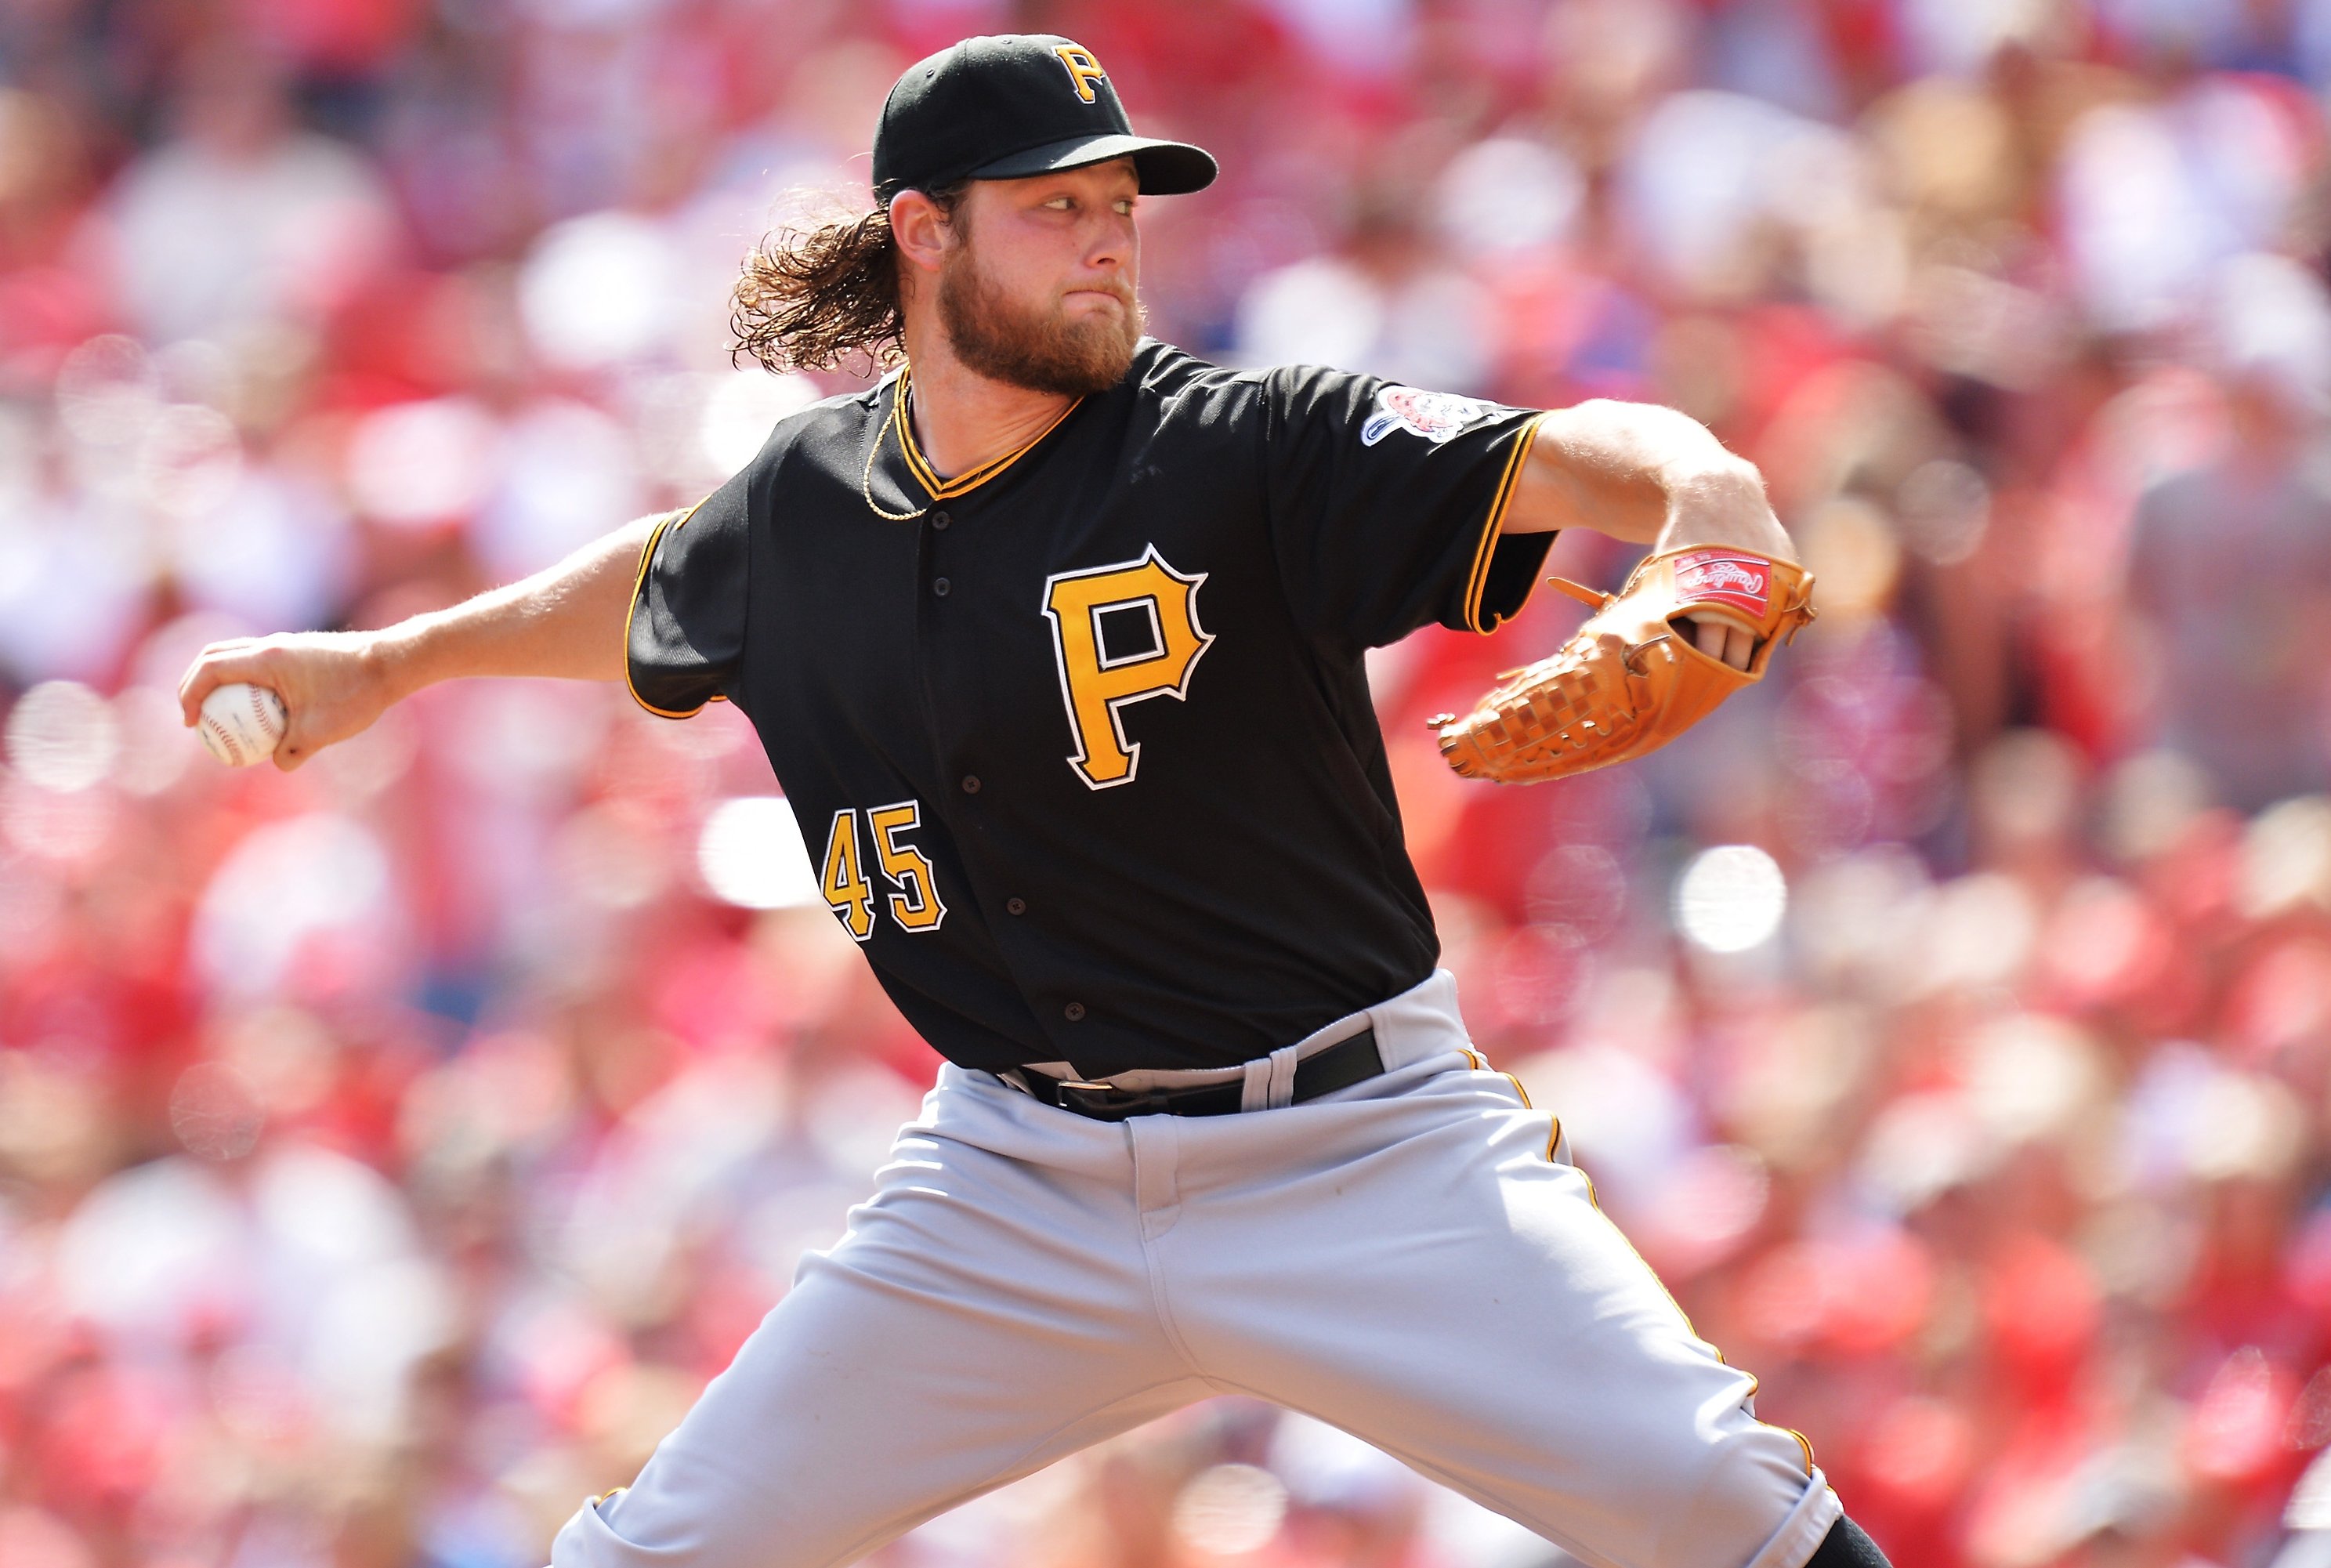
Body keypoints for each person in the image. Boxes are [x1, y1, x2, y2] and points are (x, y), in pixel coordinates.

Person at [180, 34, 1890, 1568]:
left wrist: (1713, 495)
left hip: (1358, 1145)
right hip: (1015, 1173)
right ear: (923, 232)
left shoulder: (1238, 439)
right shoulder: (804, 505)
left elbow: (1569, 448)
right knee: (650, 1551)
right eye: (1055, 209)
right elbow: (659, 587)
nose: (1105, 241)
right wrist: (390, 664)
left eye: (1121, 210)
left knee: (1719, 1507)